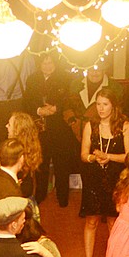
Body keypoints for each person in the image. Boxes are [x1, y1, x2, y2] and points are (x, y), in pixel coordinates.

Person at [80, 92, 129, 257]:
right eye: (98, 104)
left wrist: (108, 156)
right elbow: (83, 155)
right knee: (91, 222)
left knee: (114, 223)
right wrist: (94, 157)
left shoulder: (125, 127)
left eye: (105, 104)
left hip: (116, 179)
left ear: (114, 106)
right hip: (94, 179)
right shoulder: (90, 125)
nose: (100, 108)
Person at [23, 51, 79, 206]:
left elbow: (71, 99)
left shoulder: (66, 78)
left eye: (50, 63)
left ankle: (63, 196)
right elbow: (27, 101)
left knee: (62, 163)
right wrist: (39, 110)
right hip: (40, 127)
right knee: (41, 162)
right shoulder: (32, 79)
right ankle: (40, 193)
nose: (47, 67)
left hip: (60, 127)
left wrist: (56, 108)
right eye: (44, 63)